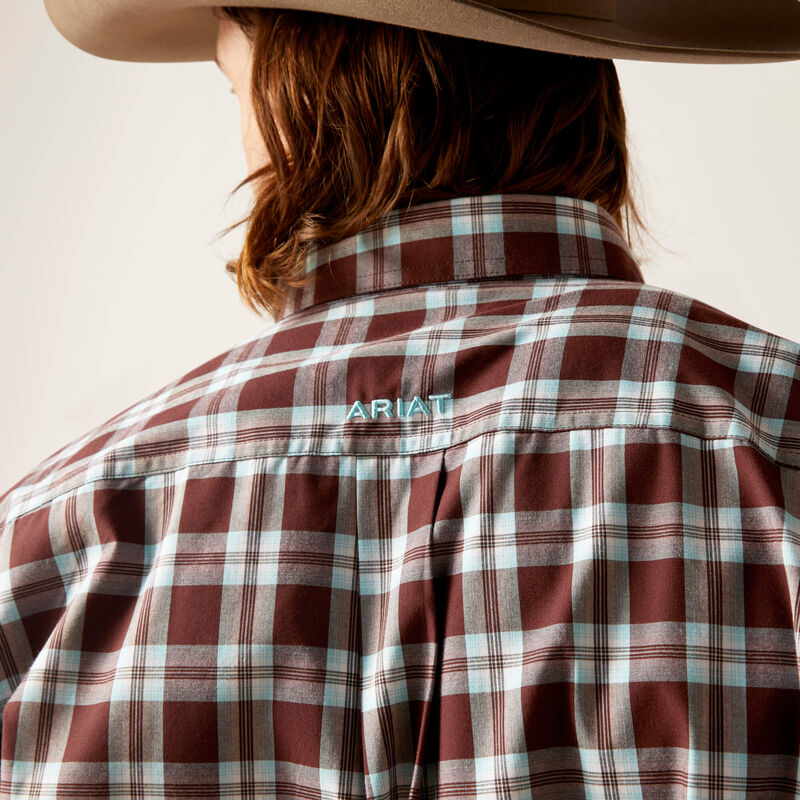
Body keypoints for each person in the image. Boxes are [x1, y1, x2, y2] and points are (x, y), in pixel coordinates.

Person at [1, 0, 799, 796]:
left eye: (234, 87)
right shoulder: (777, 442)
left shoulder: (54, 543)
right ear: (582, 68)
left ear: (295, 102)